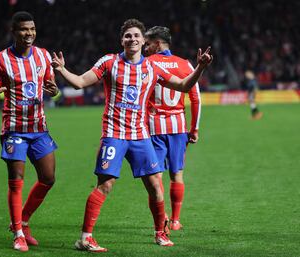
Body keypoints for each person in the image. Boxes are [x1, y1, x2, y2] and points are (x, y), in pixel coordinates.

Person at [52, 18, 212, 252]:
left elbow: (184, 86)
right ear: (122, 40)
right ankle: (85, 238)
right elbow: (80, 82)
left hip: (140, 135)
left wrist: (200, 68)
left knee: (156, 185)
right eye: (128, 36)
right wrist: (62, 69)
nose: (133, 39)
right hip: (114, 134)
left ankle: (160, 233)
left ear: (143, 40)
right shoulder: (109, 62)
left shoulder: (152, 67)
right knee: (105, 185)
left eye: (137, 36)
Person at [0, 11, 60, 252]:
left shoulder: (43, 55)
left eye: (32, 29)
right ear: (14, 32)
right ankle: (18, 232)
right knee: (16, 181)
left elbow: (52, 87)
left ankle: (24, 220)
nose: (28, 33)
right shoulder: (0, 59)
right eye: (23, 29)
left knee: (48, 178)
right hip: (14, 129)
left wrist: (54, 91)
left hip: (39, 128)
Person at [144, 26, 201, 232]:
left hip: (153, 128)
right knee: (177, 174)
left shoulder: (147, 64)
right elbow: (195, 99)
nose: (145, 48)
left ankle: (163, 217)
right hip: (178, 128)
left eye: (148, 43)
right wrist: (194, 129)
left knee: (155, 175)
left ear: (158, 44)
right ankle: (176, 220)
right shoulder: (185, 64)